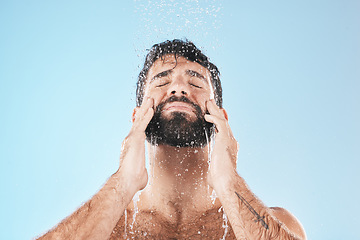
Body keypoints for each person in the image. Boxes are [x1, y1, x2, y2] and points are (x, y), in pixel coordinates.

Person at [37, 39, 306, 239]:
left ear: (220, 115)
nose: (179, 87)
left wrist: (228, 183)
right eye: (162, 81)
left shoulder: (270, 223)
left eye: (197, 83)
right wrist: (122, 183)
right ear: (137, 115)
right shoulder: (107, 228)